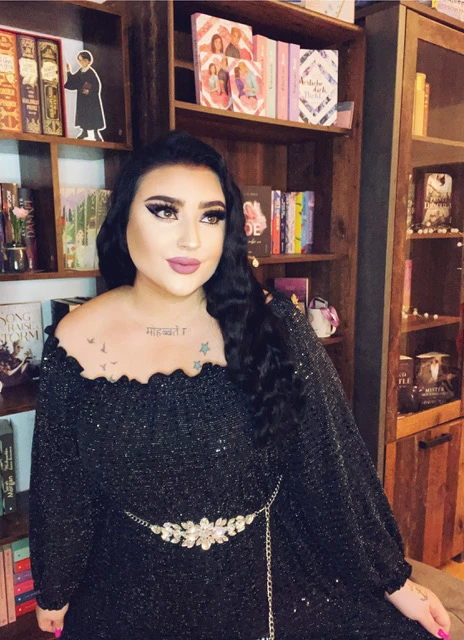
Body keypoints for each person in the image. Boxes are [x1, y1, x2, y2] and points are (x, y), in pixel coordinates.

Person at [30, 131, 451, 640]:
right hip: (126, 589)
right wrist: (54, 587)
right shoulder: (75, 340)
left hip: (267, 578)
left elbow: (329, 463)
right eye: (165, 211)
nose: (191, 240)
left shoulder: (274, 325)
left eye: (211, 216)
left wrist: (392, 580)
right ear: (122, 219)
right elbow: (62, 482)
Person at [64, 50, 106, 141]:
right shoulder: (80, 71)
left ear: (88, 61)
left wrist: (89, 91)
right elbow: (74, 81)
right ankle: (84, 131)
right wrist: (68, 71)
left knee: (93, 115)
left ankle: (96, 133)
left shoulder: (91, 72)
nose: (81, 62)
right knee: (83, 114)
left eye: (83, 60)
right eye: (80, 60)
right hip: (82, 98)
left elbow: (96, 85)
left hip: (91, 100)